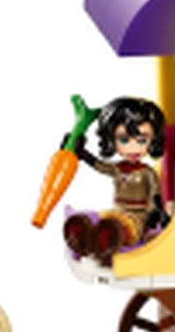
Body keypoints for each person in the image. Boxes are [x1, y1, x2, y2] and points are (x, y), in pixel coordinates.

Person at [63, 96, 168, 259]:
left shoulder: (147, 173)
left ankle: (108, 240)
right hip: (117, 210)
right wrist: (82, 153)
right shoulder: (117, 168)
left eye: (142, 141)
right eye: (124, 140)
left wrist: (157, 211)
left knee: (126, 228)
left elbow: (155, 193)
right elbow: (100, 166)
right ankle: (83, 236)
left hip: (137, 216)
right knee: (102, 218)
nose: (133, 148)